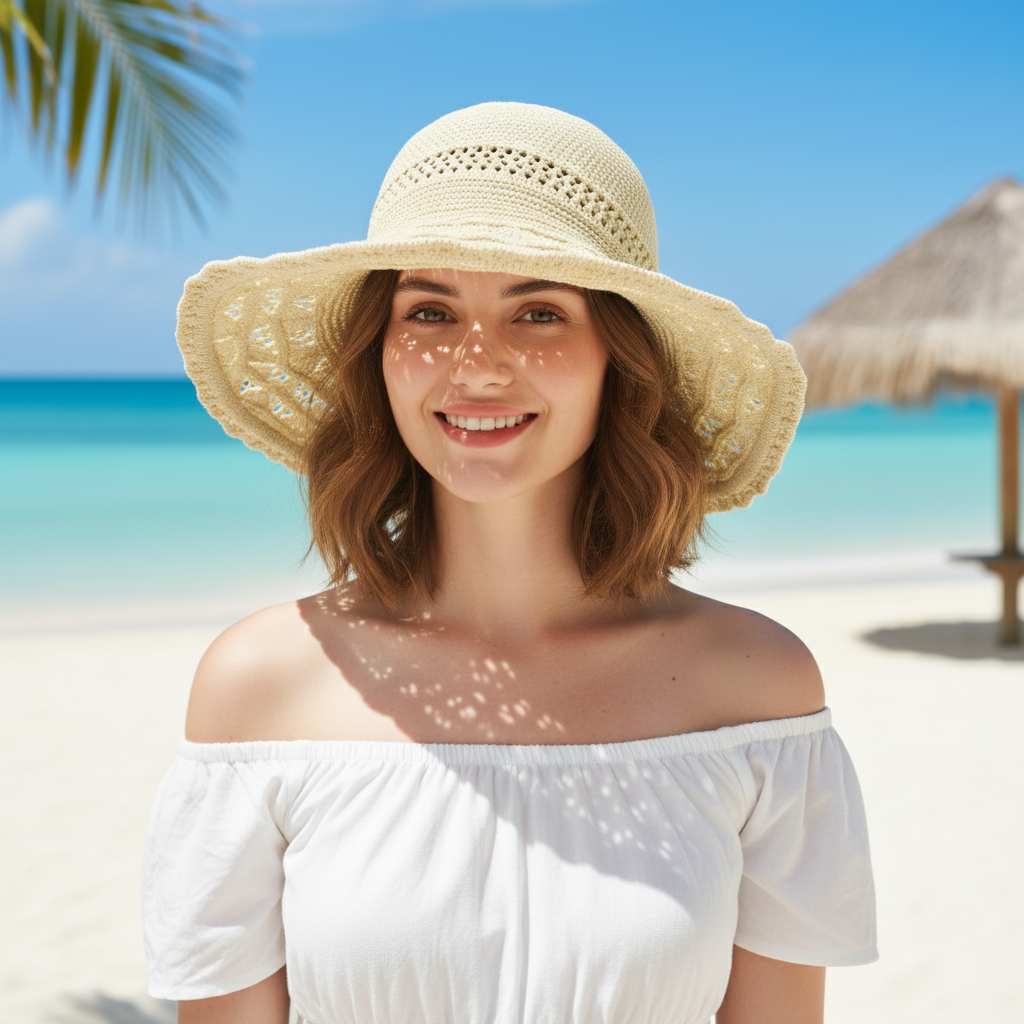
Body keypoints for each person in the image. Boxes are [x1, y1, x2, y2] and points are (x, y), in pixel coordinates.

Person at [143, 102, 877, 1024]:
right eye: (430, 311)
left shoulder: (756, 690)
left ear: (619, 358)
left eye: (538, 312)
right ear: (379, 354)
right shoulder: (261, 686)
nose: (477, 366)